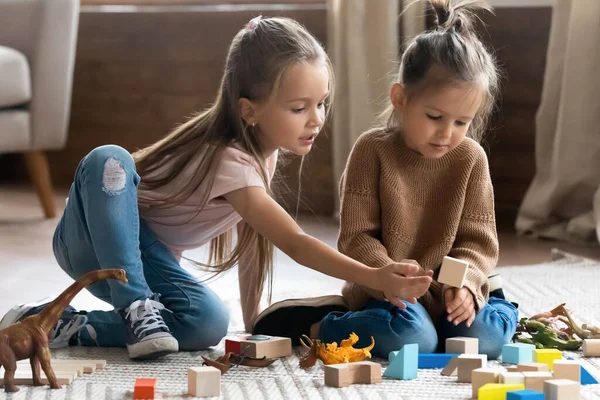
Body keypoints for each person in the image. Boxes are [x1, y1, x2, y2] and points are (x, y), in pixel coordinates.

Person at [0, 16, 433, 361]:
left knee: (208, 322)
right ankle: (135, 307)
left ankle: (56, 323)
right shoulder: (230, 159)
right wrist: (373, 276)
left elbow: (253, 238)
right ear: (249, 111)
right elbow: (296, 242)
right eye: (299, 108)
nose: (317, 119)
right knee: (109, 158)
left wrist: (251, 322)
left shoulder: (262, 153)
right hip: (92, 239)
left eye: (321, 103)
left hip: (146, 259)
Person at [252, 0, 518, 359]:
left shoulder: (471, 158)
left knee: (486, 340)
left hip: (451, 292)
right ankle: (320, 323)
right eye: (435, 116)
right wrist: (386, 274)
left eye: (461, 122)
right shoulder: (371, 151)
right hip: (389, 293)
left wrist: (468, 284)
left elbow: (479, 242)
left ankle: (494, 297)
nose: (446, 133)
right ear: (400, 98)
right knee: (415, 340)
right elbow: (356, 237)